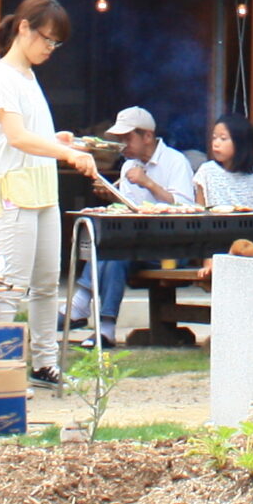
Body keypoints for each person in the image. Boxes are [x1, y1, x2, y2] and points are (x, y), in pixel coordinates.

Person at [0, 0, 98, 385]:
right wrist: (67, 155)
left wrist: (59, 140)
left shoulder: (28, 76)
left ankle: (44, 364)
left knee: (47, 281)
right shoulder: (0, 75)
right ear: (23, 28)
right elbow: (15, 137)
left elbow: (31, 132)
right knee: (12, 281)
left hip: (42, 189)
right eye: (47, 39)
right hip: (11, 190)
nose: (50, 48)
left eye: (55, 43)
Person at [75, 106, 194, 343]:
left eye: (127, 138)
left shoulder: (175, 161)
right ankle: (104, 329)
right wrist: (113, 196)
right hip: (136, 243)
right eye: (119, 140)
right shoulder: (129, 165)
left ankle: (82, 303)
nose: (122, 145)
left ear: (147, 136)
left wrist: (149, 183)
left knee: (117, 250)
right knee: (115, 252)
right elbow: (131, 209)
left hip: (170, 246)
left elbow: (185, 207)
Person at [193, 113, 253, 211]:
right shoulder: (206, 172)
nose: (216, 143)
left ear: (240, 142)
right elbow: (199, 213)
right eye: (214, 138)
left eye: (223, 139)